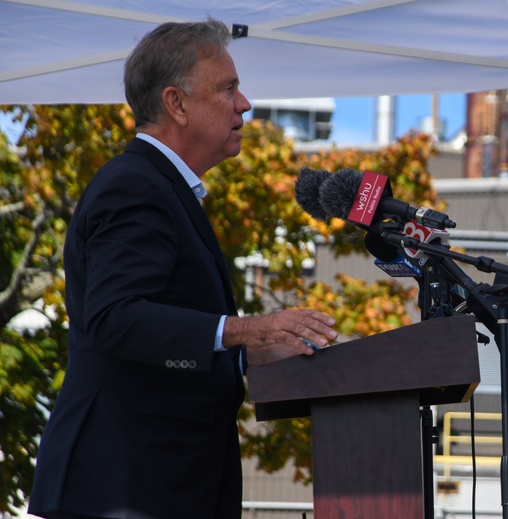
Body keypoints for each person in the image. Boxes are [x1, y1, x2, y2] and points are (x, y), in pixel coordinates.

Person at [28, 19, 338, 519]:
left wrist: (247, 357)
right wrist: (249, 330)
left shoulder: (160, 187)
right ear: (177, 103)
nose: (245, 104)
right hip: (123, 487)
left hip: (159, 484)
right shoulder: (136, 186)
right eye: (228, 88)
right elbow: (116, 319)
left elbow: (158, 347)